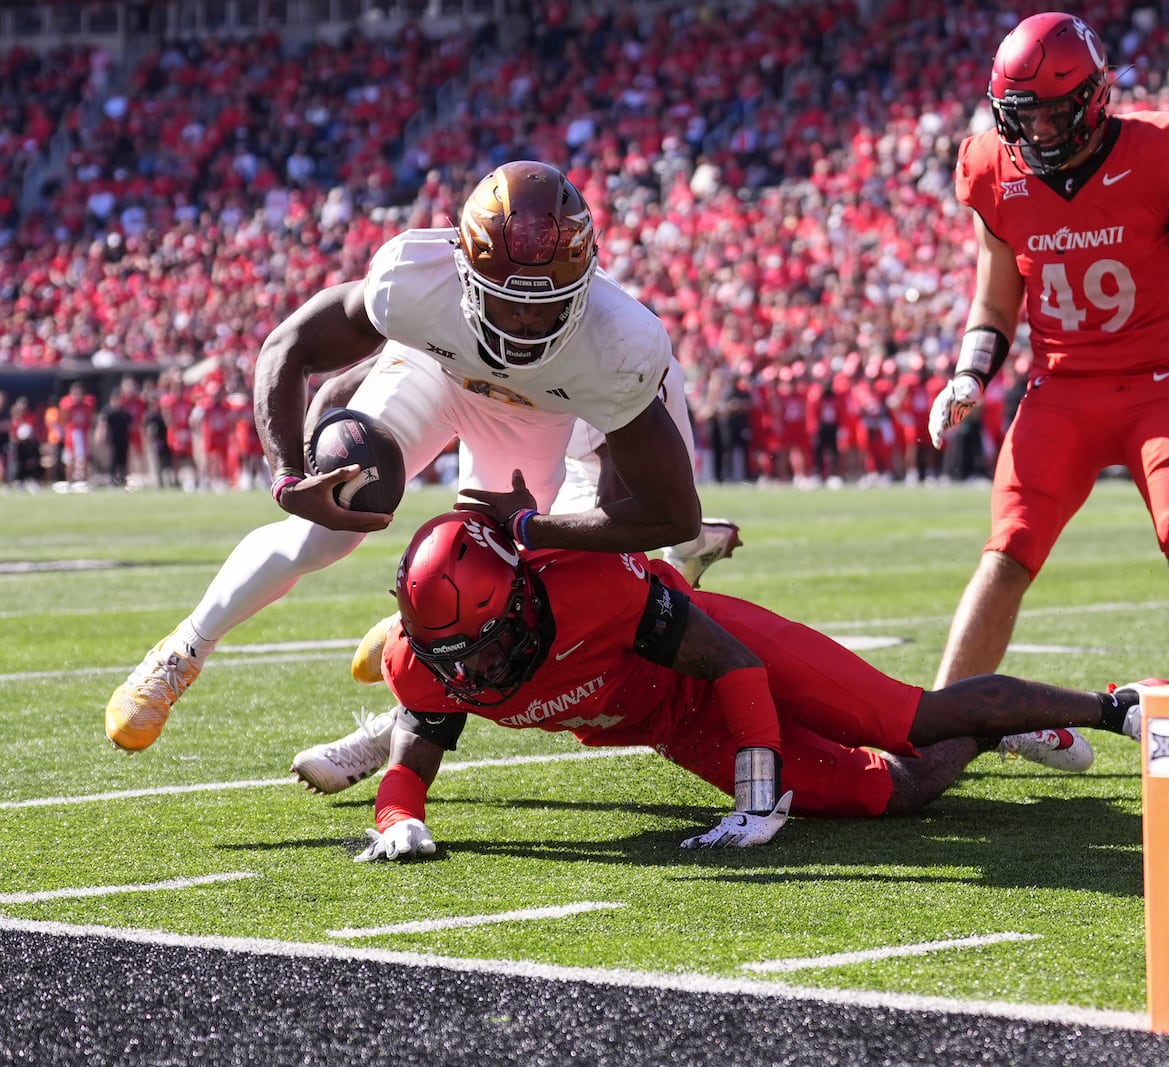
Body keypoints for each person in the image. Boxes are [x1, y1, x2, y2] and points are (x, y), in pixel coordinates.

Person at [106, 160, 740, 753]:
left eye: (543, 301)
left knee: (517, 586)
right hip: (435, 376)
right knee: (319, 532)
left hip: (542, 420)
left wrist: (526, 528)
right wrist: (287, 474)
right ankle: (183, 650)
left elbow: (668, 514)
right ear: (462, 267)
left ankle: (405, 673)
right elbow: (289, 344)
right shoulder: (414, 276)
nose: (522, 320)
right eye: (505, 297)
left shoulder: (620, 343)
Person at [328, 508, 1151, 862]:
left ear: (519, 595)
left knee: (908, 716)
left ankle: (1116, 706)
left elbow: (732, 664)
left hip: (722, 657)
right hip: (675, 725)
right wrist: (398, 812)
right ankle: (994, 730)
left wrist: (757, 799)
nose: (475, 671)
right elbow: (422, 736)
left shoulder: (591, 585)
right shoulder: (431, 657)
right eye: (454, 657)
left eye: (488, 643)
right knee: (895, 794)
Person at [924, 12, 1169, 725]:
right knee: (1007, 549)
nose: (1037, 133)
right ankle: (937, 723)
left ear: (1091, 98)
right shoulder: (992, 168)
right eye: (1023, 117)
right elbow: (995, 296)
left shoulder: (1157, 155)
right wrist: (968, 375)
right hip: (1058, 391)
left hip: (1153, 387)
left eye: (1051, 114)